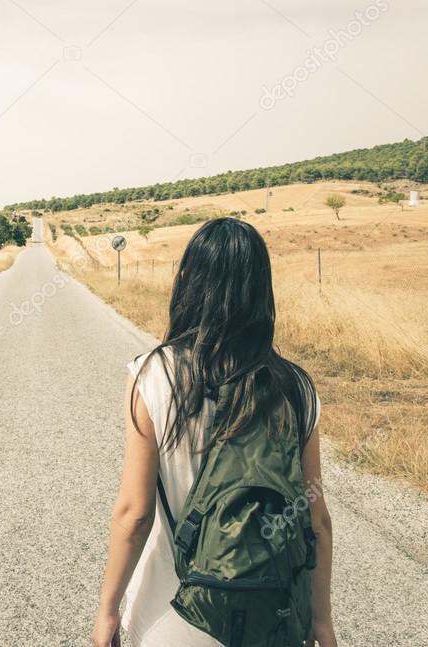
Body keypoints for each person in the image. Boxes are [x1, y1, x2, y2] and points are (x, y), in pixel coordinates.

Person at [91, 218, 336, 647]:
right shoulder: (295, 388)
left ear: (189, 282)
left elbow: (135, 515)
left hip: (171, 614)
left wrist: (107, 609)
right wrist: (321, 620)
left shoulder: (153, 374)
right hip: (270, 617)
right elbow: (314, 519)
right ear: (263, 290)